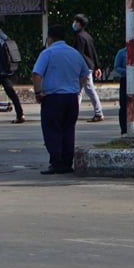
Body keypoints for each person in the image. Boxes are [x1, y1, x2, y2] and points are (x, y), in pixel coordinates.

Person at [32, 24, 90, 174]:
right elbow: (84, 73)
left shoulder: (47, 53)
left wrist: (38, 92)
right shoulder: (75, 53)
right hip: (71, 98)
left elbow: (36, 74)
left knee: (52, 130)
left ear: (49, 38)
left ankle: (56, 162)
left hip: (53, 98)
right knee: (68, 130)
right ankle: (66, 163)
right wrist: (77, 87)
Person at [71, 13, 105, 122]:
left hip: (83, 67)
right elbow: (93, 52)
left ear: (79, 24)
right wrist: (97, 66)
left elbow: (78, 54)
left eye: (75, 22)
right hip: (89, 66)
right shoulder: (87, 36)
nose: (74, 24)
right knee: (79, 90)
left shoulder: (79, 37)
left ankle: (98, 112)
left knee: (88, 90)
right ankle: (73, 113)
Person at [112, 41, 134, 138]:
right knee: (124, 105)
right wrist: (129, 71)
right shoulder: (121, 52)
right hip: (126, 79)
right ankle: (124, 131)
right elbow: (117, 67)